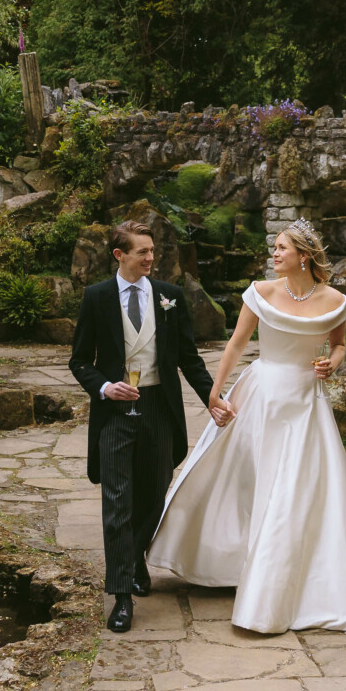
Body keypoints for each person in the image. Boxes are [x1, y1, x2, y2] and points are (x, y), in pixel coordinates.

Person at [148, 220, 346, 633]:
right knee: (244, 482)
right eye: (273, 248)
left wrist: (334, 362)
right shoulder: (260, 292)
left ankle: (291, 589)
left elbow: (340, 344)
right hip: (261, 396)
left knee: (296, 490)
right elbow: (237, 343)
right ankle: (231, 560)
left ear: (303, 256)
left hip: (305, 403)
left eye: (280, 249)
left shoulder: (335, 300)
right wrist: (215, 394)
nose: (273, 255)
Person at [67, 220, 220, 633]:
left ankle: (135, 559)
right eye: (143, 252)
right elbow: (79, 360)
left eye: (152, 251)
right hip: (116, 413)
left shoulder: (169, 297)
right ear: (120, 255)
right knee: (117, 501)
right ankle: (120, 595)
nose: (151, 258)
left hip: (157, 408)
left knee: (153, 497)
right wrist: (103, 387)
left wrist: (213, 398)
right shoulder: (96, 298)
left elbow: (188, 358)